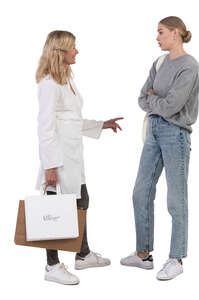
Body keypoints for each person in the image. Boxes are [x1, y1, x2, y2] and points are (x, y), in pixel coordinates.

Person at [35, 30, 123, 285]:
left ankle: (82, 254)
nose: (77, 51)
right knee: (54, 208)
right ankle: (52, 266)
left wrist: (101, 125)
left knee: (81, 200)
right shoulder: (49, 82)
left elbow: (71, 121)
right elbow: (45, 126)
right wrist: (50, 166)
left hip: (72, 154)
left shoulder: (67, 79)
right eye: (73, 47)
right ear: (60, 52)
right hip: (59, 156)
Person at [120, 16, 199, 280]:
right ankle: (143, 254)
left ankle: (176, 258)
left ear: (176, 33)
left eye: (161, 32)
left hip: (175, 134)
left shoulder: (189, 66)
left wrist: (156, 100)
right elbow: (142, 97)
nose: (157, 37)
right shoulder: (160, 62)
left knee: (176, 199)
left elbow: (171, 106)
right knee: (140, 191)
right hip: (153, 131)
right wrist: (156, 101)